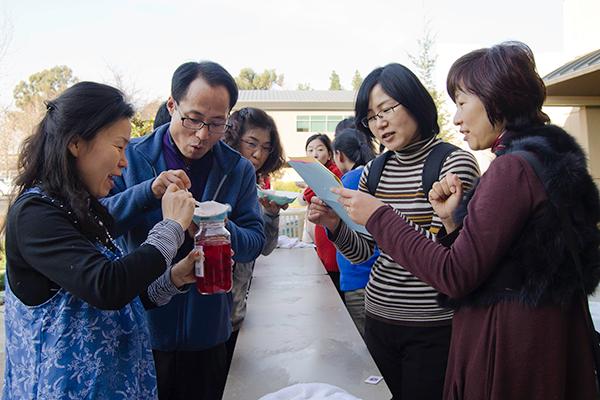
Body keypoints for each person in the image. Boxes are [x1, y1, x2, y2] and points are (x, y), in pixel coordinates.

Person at [332, 42, 600, 399]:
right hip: (541, 333)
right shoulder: (549, 157)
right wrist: (452, 224)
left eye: (461, 103)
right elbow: (505, 256)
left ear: (497, 98)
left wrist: (380, 215)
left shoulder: (510, 169)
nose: (456, 117)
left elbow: (456, 275)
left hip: (511, 342)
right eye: (371, 116)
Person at [2, 81, 199, 399]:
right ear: (76, 143)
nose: (124, 161)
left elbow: (123, 298)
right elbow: (107, 286)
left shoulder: (84, 208)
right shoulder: (34, 214)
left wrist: (174, 278)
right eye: (119, 146)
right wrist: (173, 226)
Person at [308, 63, 480, 399]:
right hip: (379, 319)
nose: (380, 122)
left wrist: (381, 215)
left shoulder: (454, 164)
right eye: (372, 116)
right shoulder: (374, 170)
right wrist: (334, 224)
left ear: (416, 103)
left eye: (387, 109)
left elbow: (451, 256)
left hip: (434, 326)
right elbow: (365, 251)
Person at [103, 61, 265, 400]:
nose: (203, 134)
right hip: (141, 330)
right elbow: (99, 223)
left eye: (217, 123)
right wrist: (147, 192)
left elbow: (254, 242)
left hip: (208, 334)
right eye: (193, 119)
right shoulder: (130, 158)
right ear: (172, 106)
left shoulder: (236, 169)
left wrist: (210, 224)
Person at [222, 106, 286, 367]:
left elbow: (265, 248)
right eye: (251, 143)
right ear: (234, 139)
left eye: (266, 147)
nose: (258, 154)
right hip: (213, 316)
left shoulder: (256, 187)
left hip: (238, 311)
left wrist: (270, 214)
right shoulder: (221, 181)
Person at [331, 128, 378, 335]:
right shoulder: (376, 174)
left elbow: (335, 230)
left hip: (357, 276)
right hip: (379, 278)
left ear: (339, 155)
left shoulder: (348, 182)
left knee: (366, 353)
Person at [302, 133, 343, 295]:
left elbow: (308, 195)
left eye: (319, 149)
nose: (315, 154)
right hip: (321, 232)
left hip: (331, 232)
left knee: (332, 278)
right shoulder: (316, 173)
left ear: (330, 153)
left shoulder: (333, 172)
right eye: (310, 150)